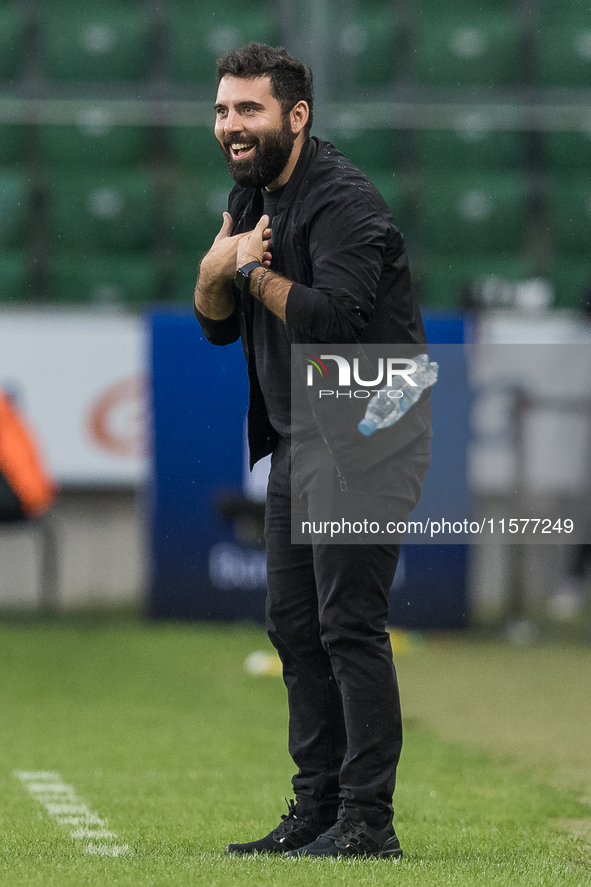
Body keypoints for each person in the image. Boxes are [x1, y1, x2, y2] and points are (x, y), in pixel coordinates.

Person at [194, 43, 431, 859]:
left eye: (248, 109)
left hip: (368, 428)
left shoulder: (345, 202)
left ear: (296, 116)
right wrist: (215, 266)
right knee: (294, 625)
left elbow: (332, 318)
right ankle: (316, 810)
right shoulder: (248, 194)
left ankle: (368, 820)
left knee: (347, 623)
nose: (231, 124)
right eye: (224, 109)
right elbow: (215, 322)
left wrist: (250, 272)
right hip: (304, 438)